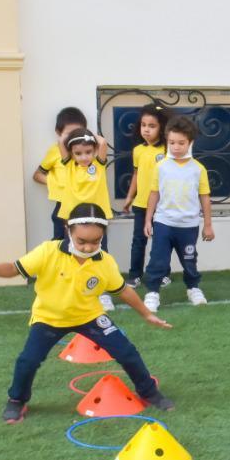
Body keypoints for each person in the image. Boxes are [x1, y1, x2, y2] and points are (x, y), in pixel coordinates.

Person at [0, 202, 174, 424]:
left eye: (95, 241)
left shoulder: (104, 262)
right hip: (49, 318)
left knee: (127, 352)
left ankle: (148, 392)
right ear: (68, 229)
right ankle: (17, 400)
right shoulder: (48, 251)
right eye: (82, 241)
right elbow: (14, 268)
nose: (88, 247)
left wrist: (146, 314)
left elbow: (123, 290)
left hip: (90, 317)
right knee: (28, 361)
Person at [142, 116, 214, 312]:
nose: (175, 147)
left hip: (188, 225)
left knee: (189, 260)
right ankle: (152, 293)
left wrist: (208, 224)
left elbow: (204, 197)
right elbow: (154, 193)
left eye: (181, 143)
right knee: (158, 259)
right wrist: (148, 219)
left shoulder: (198, 169)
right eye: (171, 142)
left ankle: (193, 288)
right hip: (163, 223)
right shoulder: (161, 166)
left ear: (190, 142)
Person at [52, 128, 114, 310]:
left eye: (88, 152)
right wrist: (75, 134)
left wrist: (88, 135)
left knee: (100, 254)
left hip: (97, 219)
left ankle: (102, 294)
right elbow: (61, 140)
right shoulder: (69, 165)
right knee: (72, 256)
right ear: (71, 153)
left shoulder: (99, 164)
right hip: (73, 221)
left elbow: (102, 143)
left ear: (94, 151)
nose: (84, 157)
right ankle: (73, 292)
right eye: (78, 153)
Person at [120, 103, 171, 289]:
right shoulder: (138, 150)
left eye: (152, 126)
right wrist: (129, 197)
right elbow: (136, 175)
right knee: (138, 240)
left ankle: (163, 273)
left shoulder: (168, 150)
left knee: (161, 241)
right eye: (143, 125)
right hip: (141, 204)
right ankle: (134, 275)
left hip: (162, 205)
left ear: (162, 128)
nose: (146, 130)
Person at [32, 106, 88, 241]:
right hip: (62, 204)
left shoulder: (87, 152)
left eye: (78, 132)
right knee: (59, 244)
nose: (74, 137)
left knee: (84, 243)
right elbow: (37, 175)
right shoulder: (54, 151)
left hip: (84, 205)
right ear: (58, 132)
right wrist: (54, 182)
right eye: (69, 133)